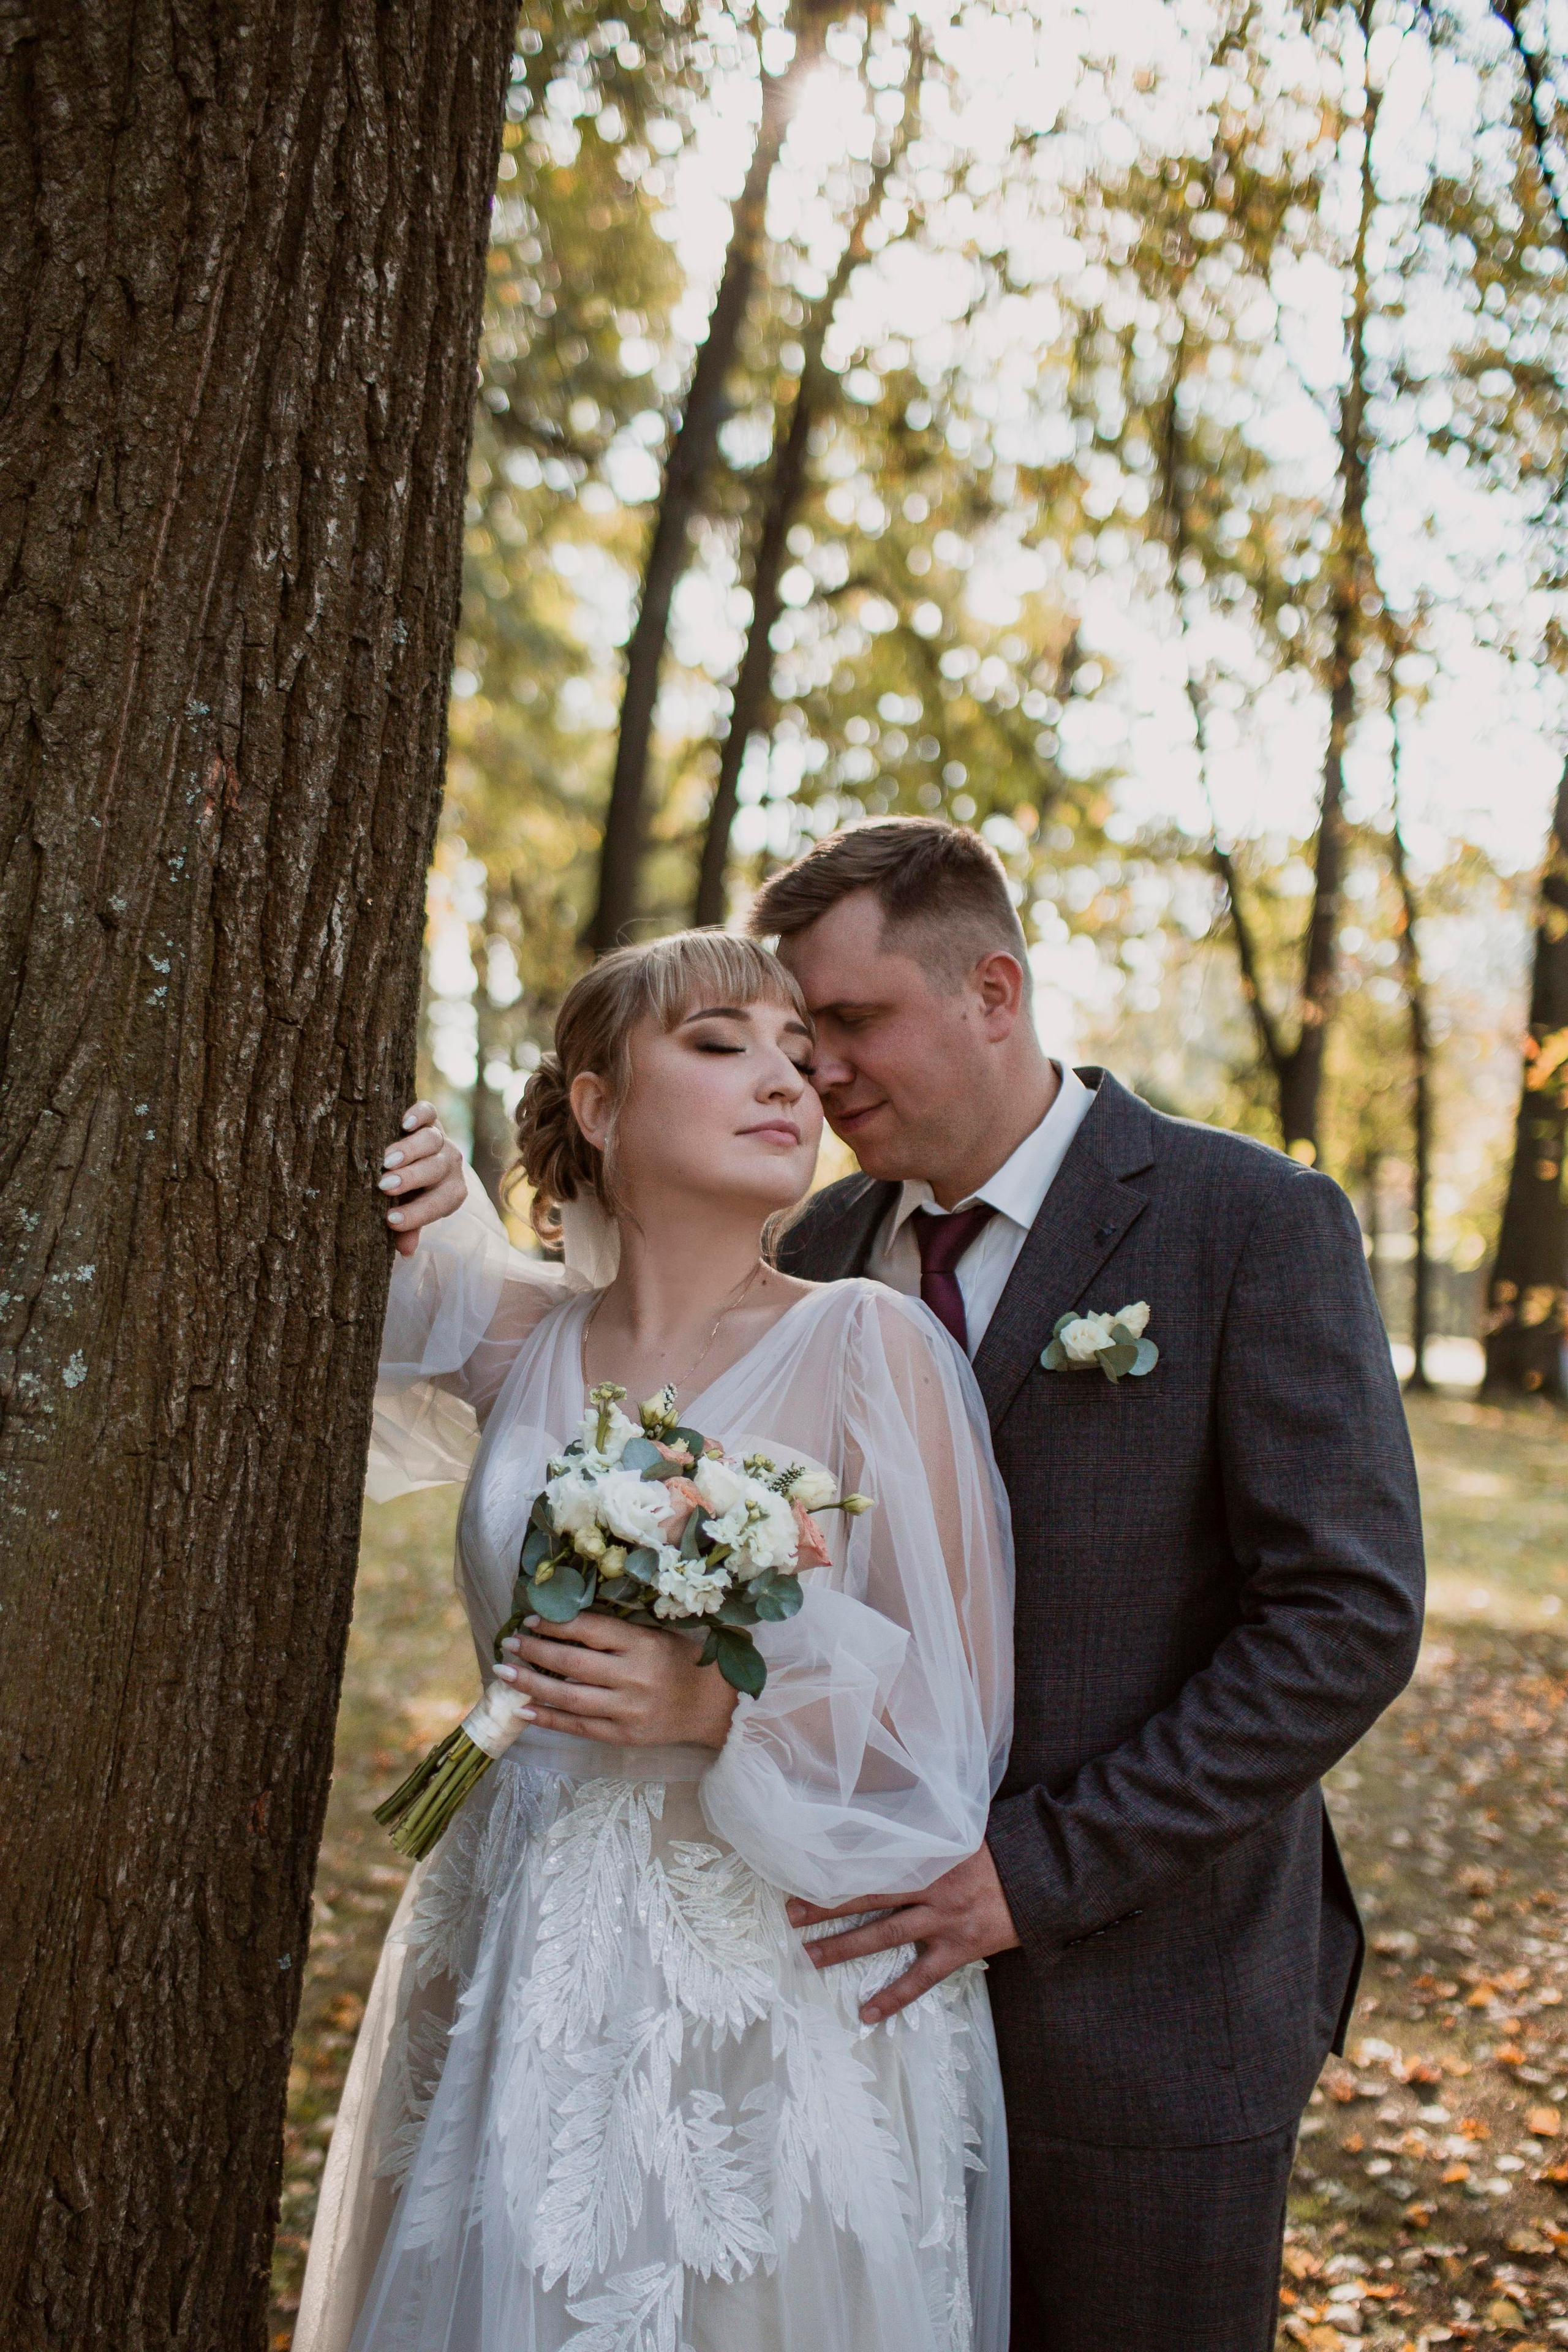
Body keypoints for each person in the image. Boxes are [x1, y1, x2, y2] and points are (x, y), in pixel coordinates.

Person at [735, 815, 1426, 2350]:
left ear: (991, 991)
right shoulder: (816, 1248)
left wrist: (1033, 1873)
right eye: (796, 1034)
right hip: (853, 2012)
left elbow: (1345, 1618)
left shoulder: (1246, 1220)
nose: (816, 1071)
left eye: (850, 1021)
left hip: (1149, 2011)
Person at [296, 930, 1017, 2352]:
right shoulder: (521, 1343)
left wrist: (718, 1709)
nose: (787, 1078)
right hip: (508, 1931)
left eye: (795, 1052)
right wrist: (426, 1184)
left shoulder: (867, 1345)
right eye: (719, 1043)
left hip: (750, 1980)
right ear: (599, 1105)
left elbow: (950, 1729)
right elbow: (389, 1277)